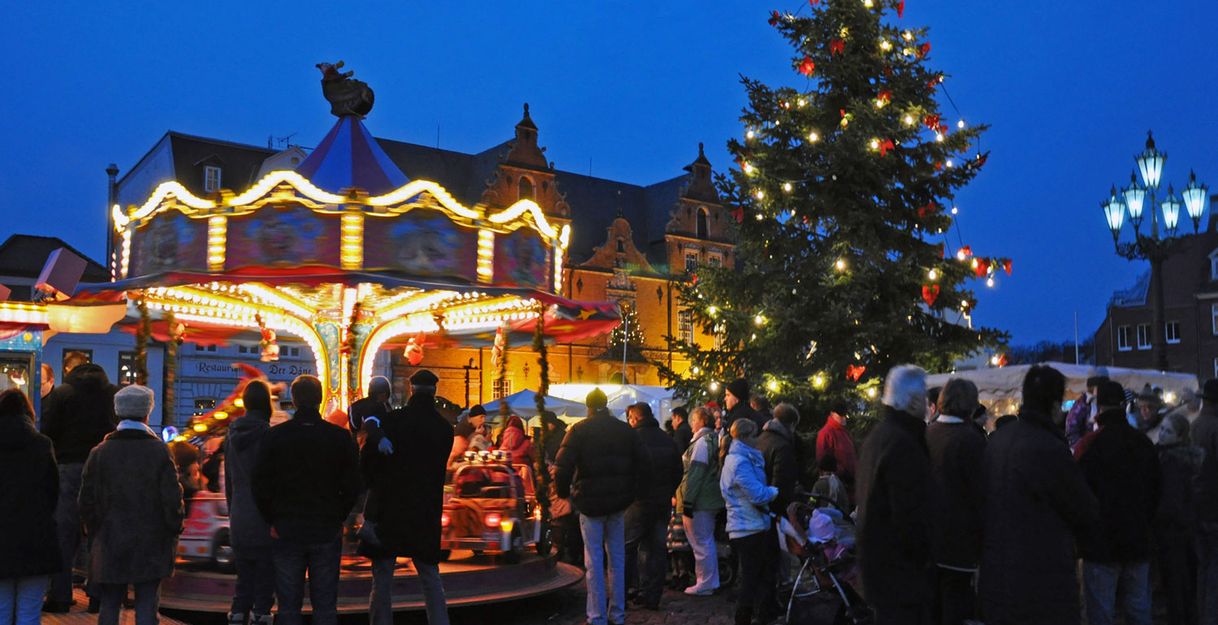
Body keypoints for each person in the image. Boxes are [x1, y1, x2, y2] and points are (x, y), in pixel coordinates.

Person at [981, 365, 1100, 625]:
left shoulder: (998, 442)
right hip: (1041, 578)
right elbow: (1084, 509)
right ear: (1056, 405)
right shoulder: (1049, 448)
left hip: (997, 575)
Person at [253, 375, 360, 625]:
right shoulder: (339, 437)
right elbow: (354, 483)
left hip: (287, 526)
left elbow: (260, 482)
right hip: (325, 525)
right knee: (325, 603)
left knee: (289, 604)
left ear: (294, 399)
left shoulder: (276, 436)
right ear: (320, 399)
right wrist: (340, 515)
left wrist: (272, 518)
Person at [79, 385, 183, 625]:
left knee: (110, 604)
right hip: (151, 541)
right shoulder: (159, 451)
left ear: (118, 412)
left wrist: (95, 530)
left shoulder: (100, 452)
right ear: (147, 413)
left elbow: (86, 499)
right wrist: (173, 527)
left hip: (110, 540)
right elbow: (171, 499)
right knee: (147, 604)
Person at [361, 370, 453, 625]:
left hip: (390, 508)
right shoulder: (444, 429)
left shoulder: (392, 421)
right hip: (425, 509)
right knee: (430, 576)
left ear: (411, 389)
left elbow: (368, 461)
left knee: (382, 578)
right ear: (434, 391)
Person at [555, 388, 649, 625]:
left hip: (589, 504)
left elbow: (563, 466)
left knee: (594, 561)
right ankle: (617, 613)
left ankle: (596, 616)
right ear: (606, 405)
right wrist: (633, 491)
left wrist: (564, 494)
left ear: (588, 407)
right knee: (617, 558)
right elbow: (645, 463)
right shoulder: (624, 430)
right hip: (618, 504)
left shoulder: (578, 430)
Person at [1075, 380, 1160, 625]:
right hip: (1137, 540)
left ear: (1098, 408)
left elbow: (1079, 493)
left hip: (1101, 544)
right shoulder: (1143, 443)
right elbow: (1156, 489)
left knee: (1101, 612)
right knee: (1138, 609)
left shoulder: (1089, 445)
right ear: (1124, 406)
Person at [856, 365, 934, 625]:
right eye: (924, 398)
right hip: (900, 575)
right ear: (912, 401)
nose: (928, 405)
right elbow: (910, 516)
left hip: (881, 569)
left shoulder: (878, 437)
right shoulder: (903, 444)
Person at [39, 362, 115, 613]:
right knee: (100, 534)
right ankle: (97, 596)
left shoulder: (62, 394)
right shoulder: (112, 394)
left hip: (69, 467)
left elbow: (48, 431)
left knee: (64, 534)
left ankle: (60, 596)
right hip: (103, 469)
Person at [925, 378, 986, 625]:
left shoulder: (925, 434)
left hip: (927, 542)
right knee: (956, 611)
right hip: (959, 546)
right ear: (970, 406)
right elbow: (982, 494)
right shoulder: (971, 440)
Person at [0, 390, 61, 625]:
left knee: (2, 612)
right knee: (29, 612)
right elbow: (52, 491)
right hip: (35, 538)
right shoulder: (42, 444)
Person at [224, 380, 276, 625]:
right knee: (265, 580)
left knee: (243, 579)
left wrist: (233, 509)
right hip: (263, 516)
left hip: (239, 514)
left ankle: (236, 616)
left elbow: (230, 482)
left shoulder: (231, 435)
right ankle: (261, 617)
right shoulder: (268, 435)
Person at [719, 418, 779, 625]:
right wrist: (775, 490)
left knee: (756, 575)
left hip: (750, 524)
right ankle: (744, 617)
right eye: (755, 435)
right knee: (752, 578)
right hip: (747, 527)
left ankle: (759, 614)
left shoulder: (742, 458)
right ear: (744, 437)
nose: (759, 439)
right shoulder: (740, 462)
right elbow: (757, 494)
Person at [623, 402, 682, 611]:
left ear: (635, 418)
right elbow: (678, 471)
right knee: (656, 549)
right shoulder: (667, 439)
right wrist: (666, 491)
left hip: (638, 502)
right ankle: (652, 596)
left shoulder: (632, 440)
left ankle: (624, 594)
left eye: (630, 418)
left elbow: (626, 471)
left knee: (627, 547)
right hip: (661, 502)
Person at [1154, 412, 1203, 625]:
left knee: (1175, 581)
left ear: (1179, 436)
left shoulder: (1172, 461)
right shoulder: (1187, 458)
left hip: (1173, 529)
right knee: (1185, 580)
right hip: (1186, 526)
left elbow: (1170, 500)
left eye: (1168, 431)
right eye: (1162, 429)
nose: (1162, 434)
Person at [675, 406, 724, 597]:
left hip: (700, 501)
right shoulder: (711, 440)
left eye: (694, 420)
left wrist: (688, 502)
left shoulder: (702, 443)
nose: (692, 424)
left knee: (701, 542)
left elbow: (695, 474)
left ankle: (706, 582)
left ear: (702, 421)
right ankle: (707, 580)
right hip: (707, 499)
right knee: (704, 541)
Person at [1192, 378, 1218, 625]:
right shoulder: (1216, 427)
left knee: (1203, 567)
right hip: (1213, 508)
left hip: (1196, 507)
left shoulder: (1196, 425)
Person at [816, 400, 857, 489]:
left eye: (845, 415)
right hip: (837, 485)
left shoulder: (844, 433)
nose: (844, 418)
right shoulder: (826, 433)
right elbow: (824, 461)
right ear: (832, 414)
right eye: (840, 415)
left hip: (849, 485)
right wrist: (842, 473)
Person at [1065, 375, 1107, 450]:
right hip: (1086, 450)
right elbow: (1071, 429)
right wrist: (1081, 448)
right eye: (1102, 387)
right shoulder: (1081, 404)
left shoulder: (1101, 403)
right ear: (1095, 388)